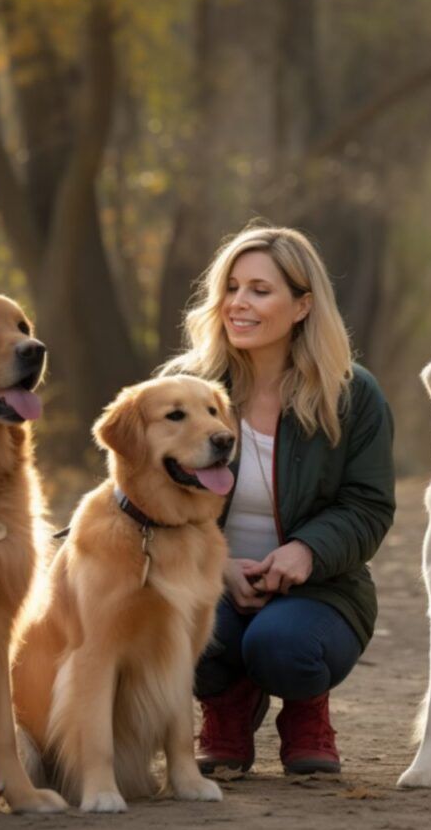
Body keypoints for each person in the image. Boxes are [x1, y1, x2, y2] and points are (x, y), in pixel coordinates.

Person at [159, 224, 395, 775]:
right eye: (232, 287)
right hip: (203, 579)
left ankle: (306, 709)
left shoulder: (352, 394)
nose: (239, 304)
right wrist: (217, 565)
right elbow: (149, 499)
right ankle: (225, 707)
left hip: (322, 590)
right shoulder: (182, 388)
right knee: (180, 630)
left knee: (282, 647)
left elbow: (369, 505)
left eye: (260, 291)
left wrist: (307, 552)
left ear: (302, 306)